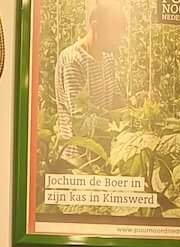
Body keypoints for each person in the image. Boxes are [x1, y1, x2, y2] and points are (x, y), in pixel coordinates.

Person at [53, 0, 128, 168]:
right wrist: (116, 125)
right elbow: (80, 120)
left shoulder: (108, 58)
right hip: (77, 162)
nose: (118, 40)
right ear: (96, 26)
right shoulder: (74, 60)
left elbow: (115, 99)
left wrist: (135, 112)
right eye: (114, 34)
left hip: (100, 157)